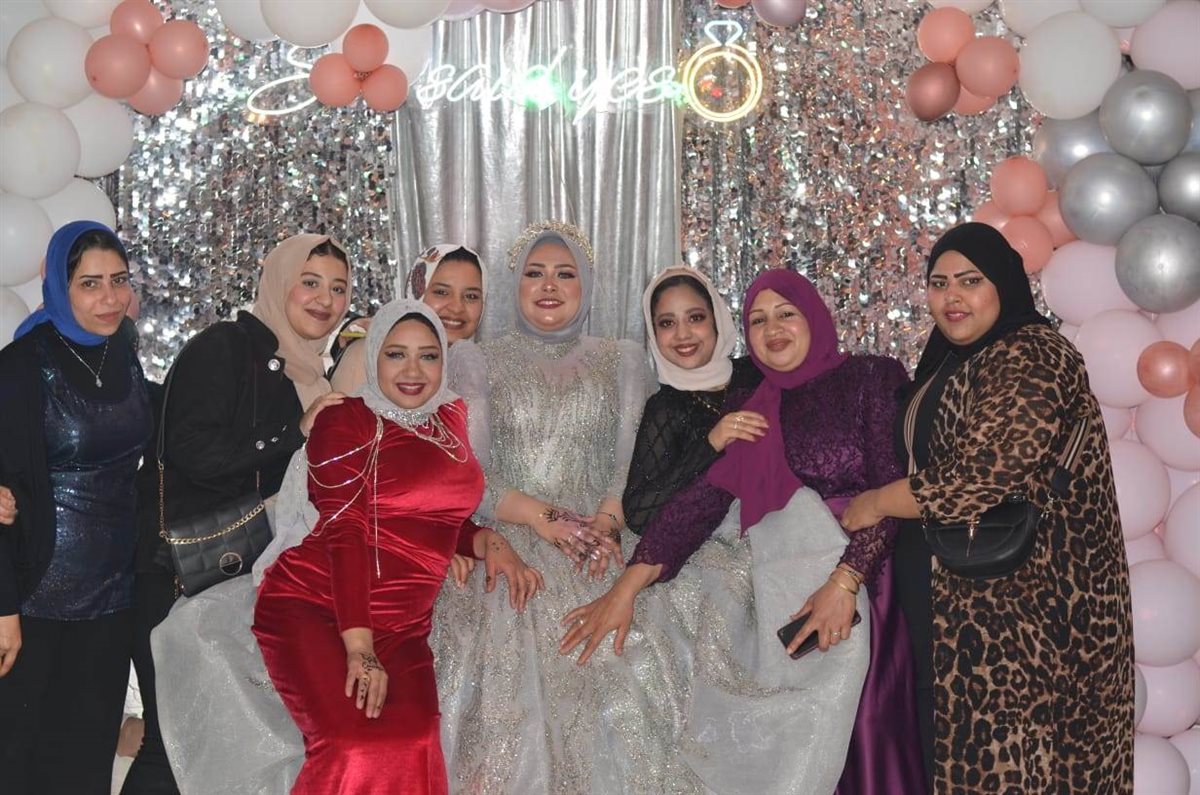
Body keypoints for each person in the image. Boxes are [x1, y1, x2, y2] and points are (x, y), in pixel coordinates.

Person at [562, 268, 923, 794]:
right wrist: (626, 588)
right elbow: (702, 503)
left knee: (865, 732)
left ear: (813, 316)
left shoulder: (870, 377)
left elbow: (893, 491)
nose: (772, 329)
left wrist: (844, 583)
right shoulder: (758, 401)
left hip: (872, 576)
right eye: (758, 320)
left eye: (786, 314)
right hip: (794, 584)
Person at [841, 222, 1134, 794]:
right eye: (939, 283)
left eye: (970, 281)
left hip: (1022, 615)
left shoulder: (1032, 353)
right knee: (958, 762)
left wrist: (877, 502)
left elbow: (985, 474)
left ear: (1003, 283)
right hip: (955, 609)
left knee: (1018, 767)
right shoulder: (951, 360)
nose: (952, 297)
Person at [431, 221, 710, 793]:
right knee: (509, 652)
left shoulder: (623, 359)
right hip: (513, 535)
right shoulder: (476, 362)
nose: (549, 286)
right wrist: (545, 519)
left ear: (587, 285)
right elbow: (470, 475)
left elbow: (630, 463)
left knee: (643, 651)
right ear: (515, 285)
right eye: (534, 273)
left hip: (604, 536)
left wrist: (605, 523)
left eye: (565, 274)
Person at [252, 299, 541, 794]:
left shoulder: (450, 418)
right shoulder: (346, 420)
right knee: (349, 745)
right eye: (395, 354)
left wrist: (483, 539)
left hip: (403, 625)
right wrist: (359, 648)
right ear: (373, 357)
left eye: (428, 356)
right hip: (318, 606)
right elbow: (347, 531)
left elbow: (435, 513)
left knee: (416, 741)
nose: (413, 371)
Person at [125, 233, 351, 793]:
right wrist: (294, 432)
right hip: (184, 572)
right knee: (170, 743)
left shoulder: (313, 375)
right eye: (310, 282)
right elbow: (190, 450)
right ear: (278, 282)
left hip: (247, 577)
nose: (325, 299)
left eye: (339, 288)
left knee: (230, 746)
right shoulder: (226, 346)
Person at [0, 221, 153, 794]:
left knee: (85, 768)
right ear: (60, 289)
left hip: (114, 599)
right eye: (90, 283)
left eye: (119, 280)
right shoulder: (21, 367)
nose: (110, 298)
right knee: (18, 764)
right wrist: (3, 608)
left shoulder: (124, 351)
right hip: (34, 601)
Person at [620, 267, 763, 536]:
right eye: (667, 323)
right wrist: (711, 444)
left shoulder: (757, 375)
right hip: (711, 546)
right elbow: (638, 514)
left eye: (695, 318)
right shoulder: (666, 408)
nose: (683, 334)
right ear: (653, 333)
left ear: (716, 319)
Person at [330, 244, 486, 394]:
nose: (457, 307)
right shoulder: (371, 355)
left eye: (471, 296)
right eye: (441, 292)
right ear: (416, 293)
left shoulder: (480, 368)